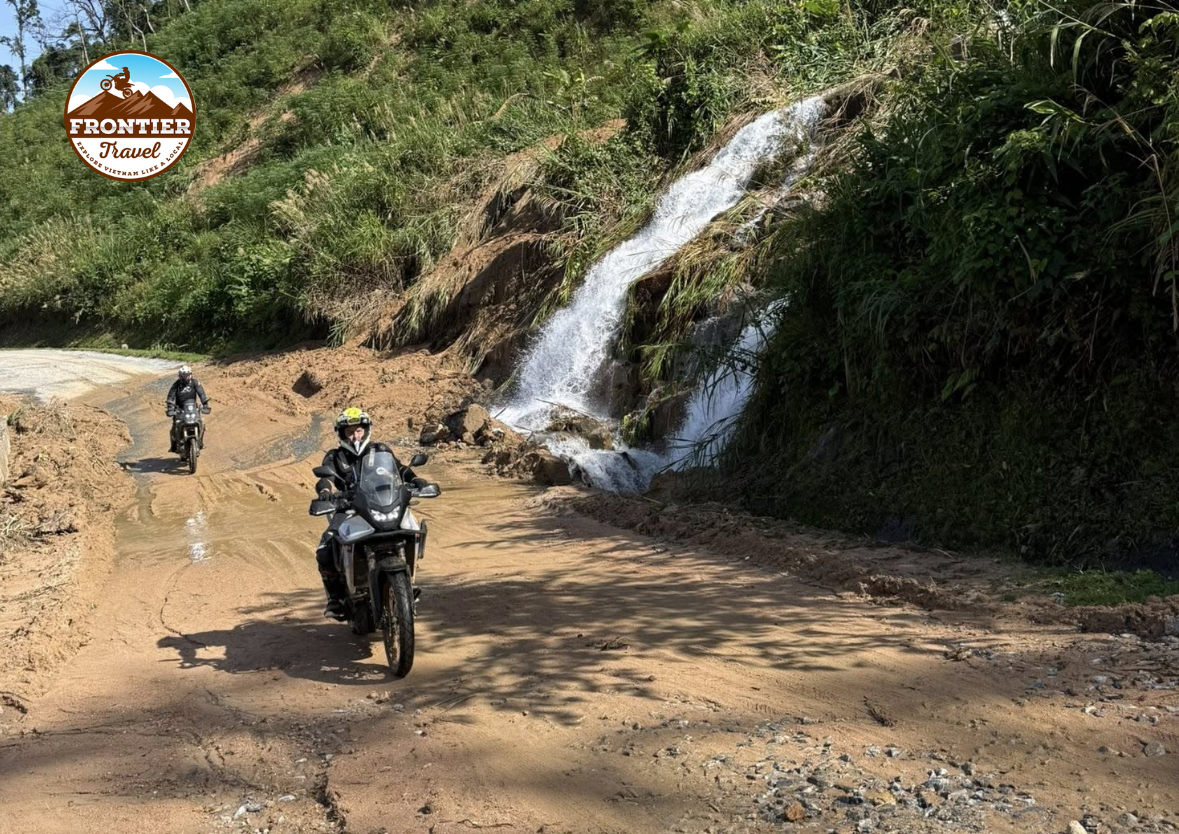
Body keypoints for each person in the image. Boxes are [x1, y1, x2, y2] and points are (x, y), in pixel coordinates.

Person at [314, 407, 425, 620]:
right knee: (325, 549)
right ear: (342, 434)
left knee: (411, 527)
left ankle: (407, 583)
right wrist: (326, 492)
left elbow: (399, 468)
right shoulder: (335, 457)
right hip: (347, 508)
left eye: (358, 431)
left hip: (382, 504)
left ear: (366, 430)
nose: (355, 436)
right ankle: (335, 599)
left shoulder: (380, 450)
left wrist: (415, 479)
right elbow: (325, 479)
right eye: (350, 432)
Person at [165, 365, 210, 453]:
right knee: (175, 425)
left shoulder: (195, 383)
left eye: (188, 374)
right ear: (181, 375)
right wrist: (170, 408)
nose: (187, 377)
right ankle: (174, 444)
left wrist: (205, 404)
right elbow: (170, 397)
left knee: (202, 423)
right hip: (180, 409)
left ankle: (200, 442)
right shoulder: (176, 385)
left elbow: (202, 394)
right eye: (185, 375)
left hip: (192, 408)